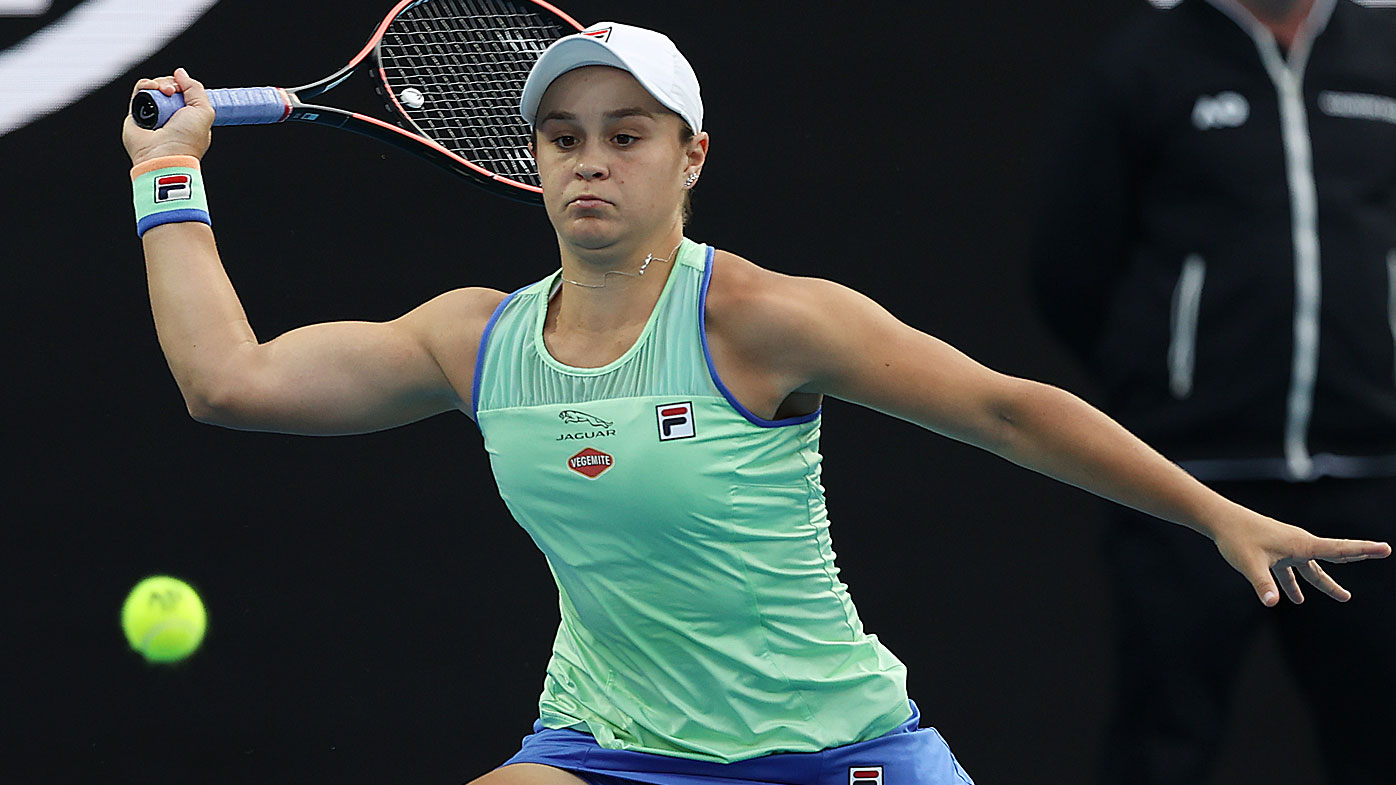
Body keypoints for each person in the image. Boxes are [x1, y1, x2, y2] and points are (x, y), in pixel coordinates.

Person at [122, 21, 1390, 785]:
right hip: (606, 748)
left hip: (834, 749)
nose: (592, 160)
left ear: (692, 158)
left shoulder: (764, 318)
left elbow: (1005, 407)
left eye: (628, 133)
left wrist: (1217, 513)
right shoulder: (475, 338)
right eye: (563, 136)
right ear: (531, 161)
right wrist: (168, 177)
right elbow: (231, 381)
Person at [1026, 1, 1396, 783]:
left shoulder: (1385, 50)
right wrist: (1167, 377)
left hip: (1373, 480)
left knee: (1381, 736)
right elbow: (1068, 262)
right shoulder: (1145, 63)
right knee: (1163, 738)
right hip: (1190, 484)